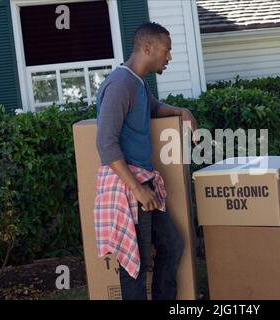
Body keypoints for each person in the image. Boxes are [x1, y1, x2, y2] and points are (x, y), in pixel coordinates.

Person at [93, 22, 198, 300]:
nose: (169, 56)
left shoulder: (136, 82)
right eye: (167, 50)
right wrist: (138, 189)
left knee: (172, 246)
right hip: (128, 185)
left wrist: (181, 111)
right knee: (135, 265)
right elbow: (105, 144)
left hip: (145, 181)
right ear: (148, 47)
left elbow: (152, 107)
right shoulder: (119, 84)